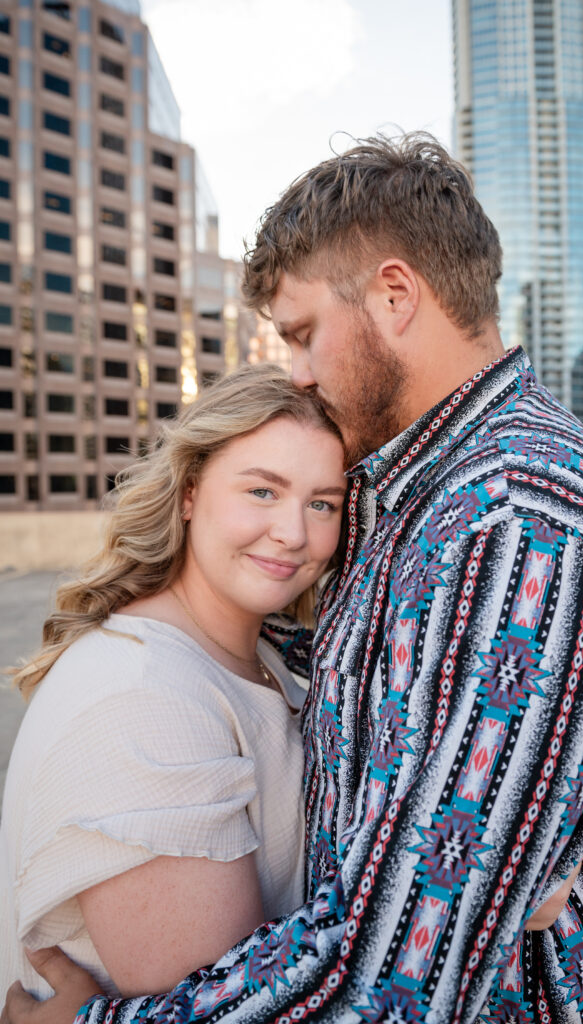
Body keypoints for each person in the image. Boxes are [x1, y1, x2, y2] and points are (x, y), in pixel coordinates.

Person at [4, 133, 583, 1023]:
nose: (299, 372)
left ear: (395, 295)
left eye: (305, 333)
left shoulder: (517, 527)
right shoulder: (409, 498)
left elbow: (397, 982)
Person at [0, 364, 346, 1002]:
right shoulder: (145, 698)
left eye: (321, 503)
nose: (294, 534)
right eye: (262, 492)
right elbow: (222, 1011)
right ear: (189, 492)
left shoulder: (258, 655)